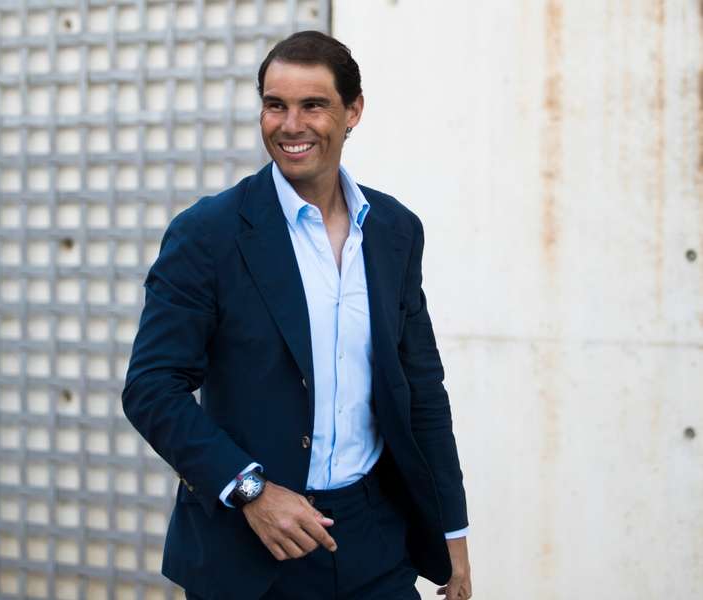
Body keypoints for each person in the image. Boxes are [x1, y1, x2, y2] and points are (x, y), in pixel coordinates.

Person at [122, 31, 471, 600]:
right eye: (274, 105)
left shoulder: (395, 230)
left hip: (375, 539)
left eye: (313, 105)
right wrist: (250, 490)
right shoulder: (207, 233)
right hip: (251, 550)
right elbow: (151, 388)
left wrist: (451, 531)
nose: (290, 125)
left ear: (353, 110)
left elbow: (422, 391)